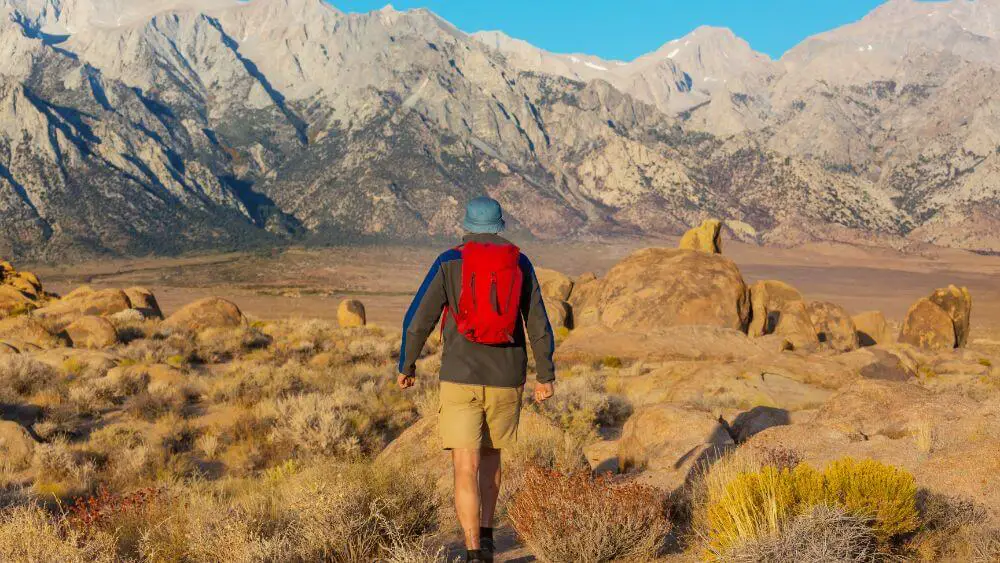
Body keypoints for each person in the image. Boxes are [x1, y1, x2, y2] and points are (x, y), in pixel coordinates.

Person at [397, 196, 556, 563]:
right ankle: (487, 536)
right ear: (500, 224)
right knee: (491, 460)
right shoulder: (519, 261)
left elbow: (418, 318)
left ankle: (473, 553)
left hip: (459, 376)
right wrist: (545, 375)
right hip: (506, 376)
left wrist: (407, 364)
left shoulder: (449, 261)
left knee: (464, 466)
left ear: (466, 225)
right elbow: (538, 325)